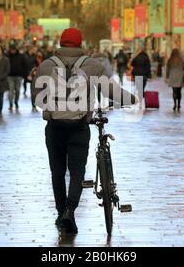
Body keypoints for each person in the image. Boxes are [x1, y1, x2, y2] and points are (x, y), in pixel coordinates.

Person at [32, 28, 136, 234]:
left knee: (58, 172)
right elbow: (111, 91)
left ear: (61, 43)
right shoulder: (92, 65)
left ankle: (61, 212)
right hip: (79, 127)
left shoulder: (46, 65)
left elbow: (37, 96)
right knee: (78, 171)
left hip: (54, 128)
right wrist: (132, 99)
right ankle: (70, 211)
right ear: (80, 44)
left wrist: (54, 106)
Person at [7, 45, 28, 111]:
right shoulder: (7, 56)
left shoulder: (21, 56)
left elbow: (24, 65)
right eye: (11, 50)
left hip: (19, 76)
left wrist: (24, 74)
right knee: (11, 90)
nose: (12, 51)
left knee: (18, 90)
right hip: (10, 76)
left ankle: (16, 102)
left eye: (14, 49)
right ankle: (10, 104)